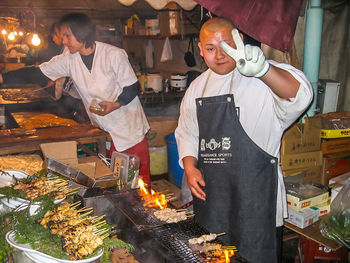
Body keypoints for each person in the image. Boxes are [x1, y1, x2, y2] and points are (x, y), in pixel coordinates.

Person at [175, 17, 313, 263]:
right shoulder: (196, 87)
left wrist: (264, 71)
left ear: (238, 39)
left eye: (226, 45)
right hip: (213, 199)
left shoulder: (260, 73)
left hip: (256, 201)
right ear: (200, 49)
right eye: (210, 48)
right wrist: (189, 165)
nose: (219, 55)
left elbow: (300, 96)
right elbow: (187, 131)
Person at [0, 12, 151, 185]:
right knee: (117, 182)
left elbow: (133, 87)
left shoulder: (113, 55)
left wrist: (115, 104)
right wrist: (4, 78)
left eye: (67, 35)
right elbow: (38, 72)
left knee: (138, 182)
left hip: (128, 129)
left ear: (82, 33)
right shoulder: (69, 59)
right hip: (105, 130)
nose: (64, 41)